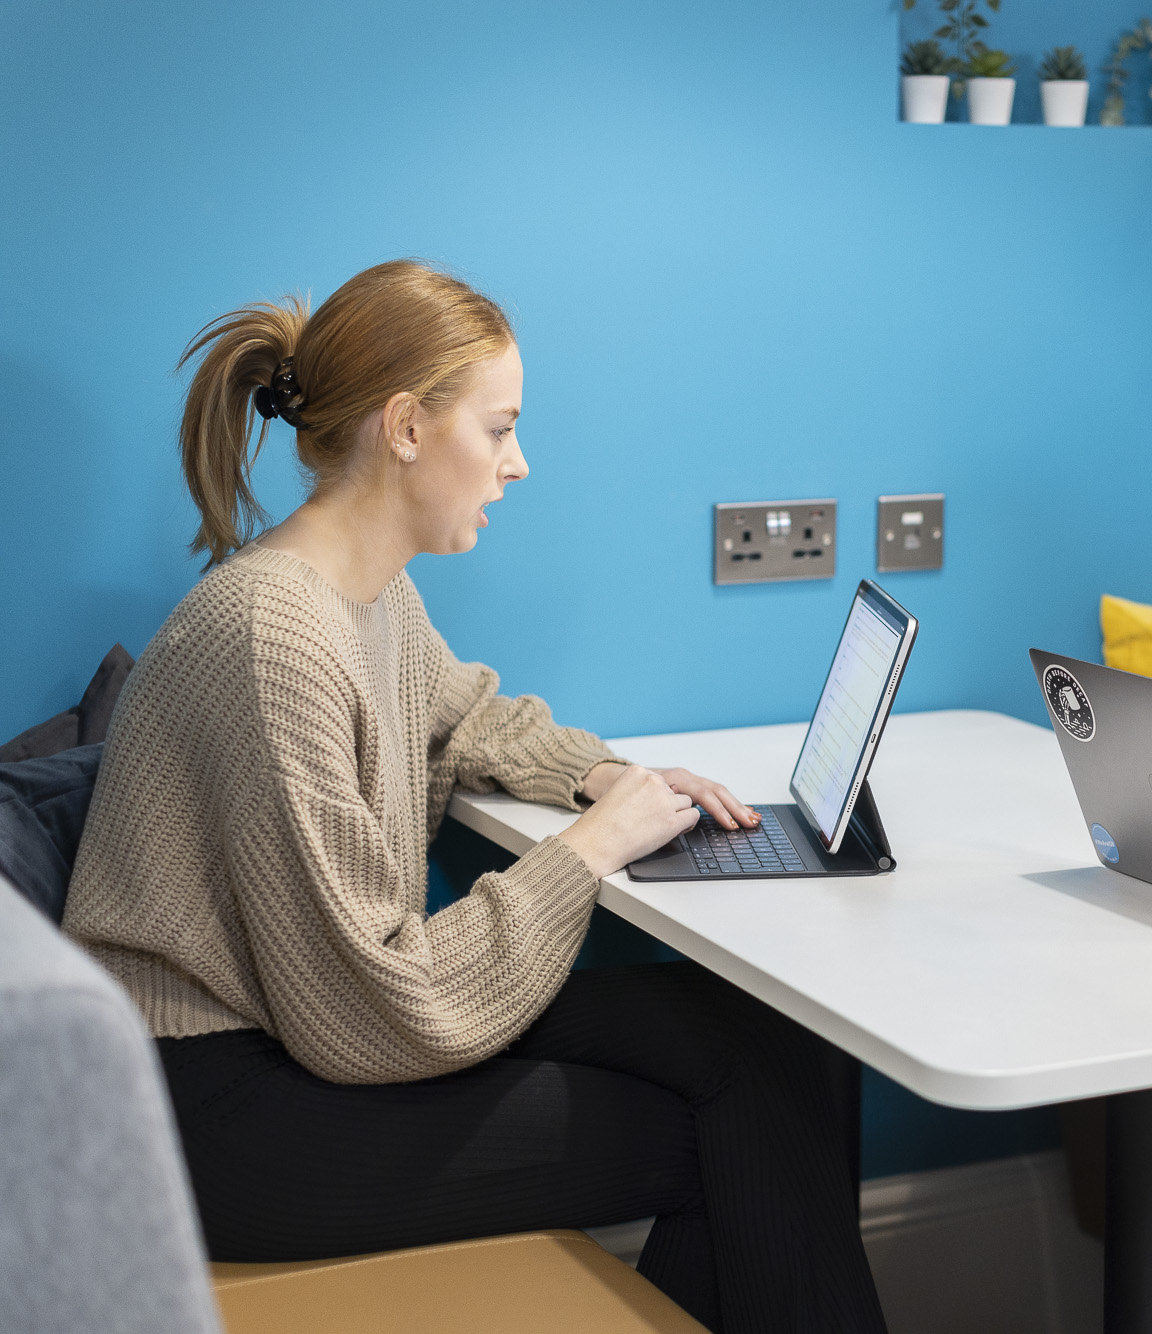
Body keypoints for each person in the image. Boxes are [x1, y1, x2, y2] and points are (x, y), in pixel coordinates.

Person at [61, 259, 887, 1333]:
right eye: (499, 429)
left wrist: (599, 775)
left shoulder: (362, 591)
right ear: (406, 426)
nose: (518, 463)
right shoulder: (272, 637)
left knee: (773, 1043)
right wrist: (587, 850)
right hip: (218, 1111)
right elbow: (369, 1009)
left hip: (287, 1044)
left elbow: (459, 713)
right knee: (743, 1126)